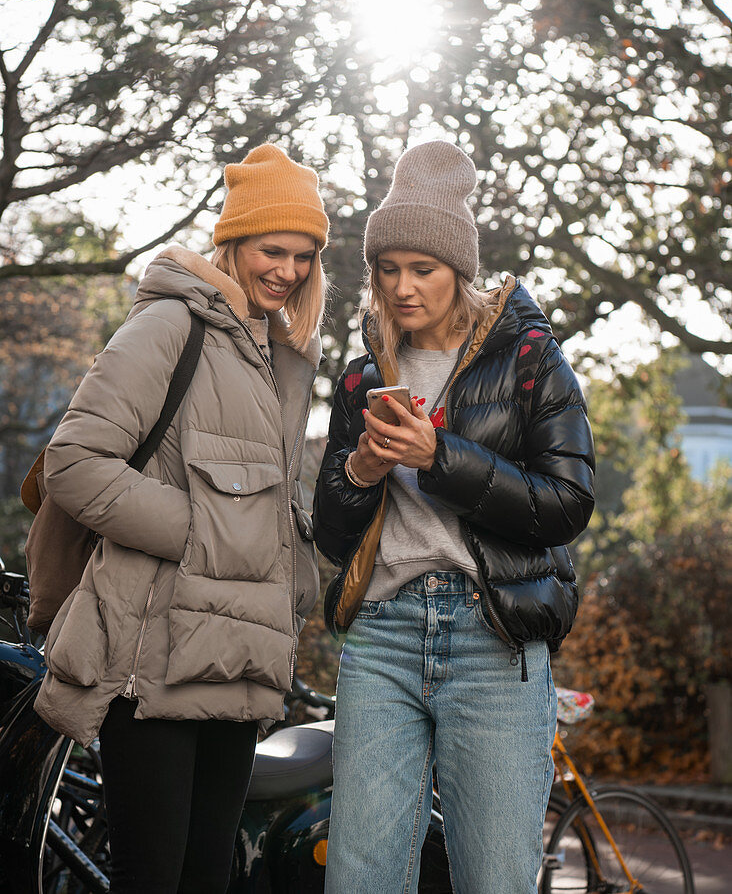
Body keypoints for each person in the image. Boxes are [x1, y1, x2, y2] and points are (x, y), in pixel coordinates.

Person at [34, 143, 329, 894]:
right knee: (153, 880)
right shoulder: (172, 324)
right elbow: (75, 464)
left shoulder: (281, 357)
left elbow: (271, 506)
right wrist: (201, 534)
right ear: (233, 241)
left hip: (239, 657)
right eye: (273, 249)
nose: (288, 271)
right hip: (154, 660)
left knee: (208, 878)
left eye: (303, 257)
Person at [313, 139, 595, 894]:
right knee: (358, 879)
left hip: (492, 639)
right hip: (383, 638)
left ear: (459, 270)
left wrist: (442, 458)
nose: (403, 287)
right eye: (388, 268)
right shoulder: (365, 377)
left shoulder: (530, 358)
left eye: (423, 269)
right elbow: (332, 534)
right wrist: (362, 471)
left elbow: (567, 505)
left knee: (492, 880)